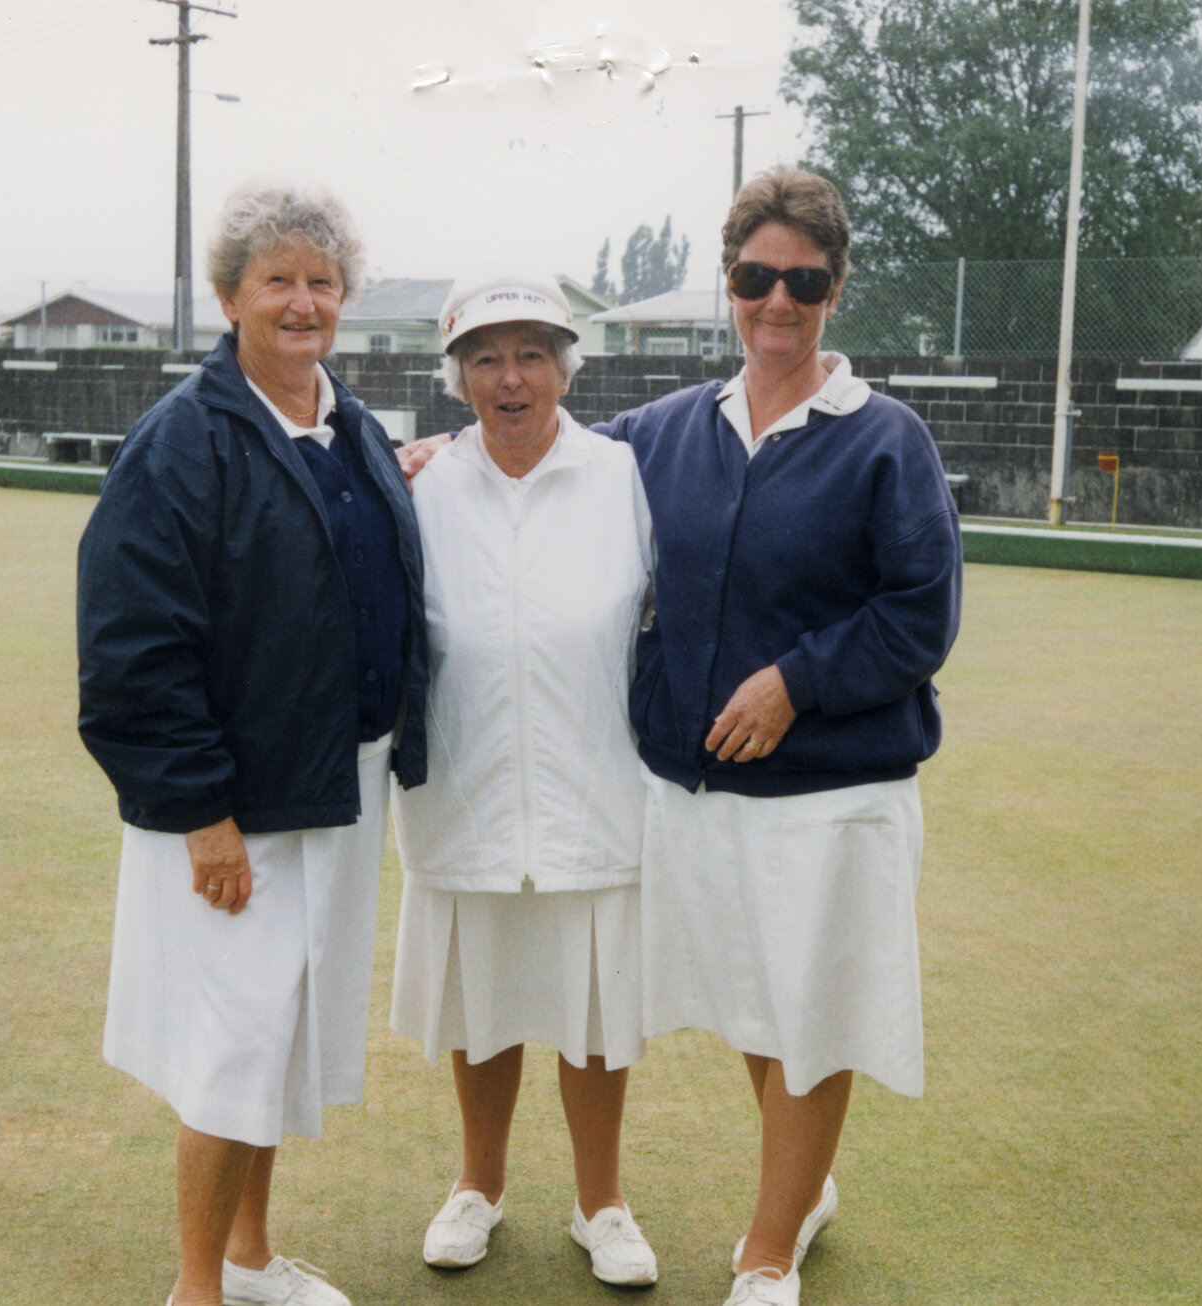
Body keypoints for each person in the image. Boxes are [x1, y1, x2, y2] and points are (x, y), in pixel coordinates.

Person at [400, 168, 961, 1306]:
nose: (776, 300)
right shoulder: (663, 433)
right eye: (755, 276)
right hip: (705, 792)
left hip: (833, 788)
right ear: (728, 282)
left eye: (802, 280)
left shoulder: (885, 438)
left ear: (834, 288)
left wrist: (795, 683)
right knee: (763, 1006)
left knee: (809, 1011)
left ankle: (766, 1247)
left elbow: (921, 611)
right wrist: (430, 454)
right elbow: (546, 444)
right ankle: (795, 1194)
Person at [77, 183, 426, 1306]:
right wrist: (202, 811)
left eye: (321, 281)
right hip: (236, 810)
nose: (301, 300)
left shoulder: (356, 425)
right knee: (230, 1057)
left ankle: (250, 1255)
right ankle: (197, 1289)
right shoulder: (180, 442)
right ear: (228, 296)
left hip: (336, 788)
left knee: (277, 1040)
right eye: (276, 279)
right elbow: (133, 649)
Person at [390, 272, 660, 1286]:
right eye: (487, 358)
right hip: (465, 787)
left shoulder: (622, 473)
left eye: (533, 354)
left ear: (565, 367)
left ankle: (603, 1204)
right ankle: (478, 1186)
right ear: (457, 376)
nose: (512, 377)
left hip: (596, 785)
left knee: (594, 1012)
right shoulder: (417, 482)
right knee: (481, 1002)